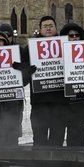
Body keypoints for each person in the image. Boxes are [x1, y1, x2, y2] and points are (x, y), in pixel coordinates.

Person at [29, 16, 68, 146]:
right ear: (40, 29)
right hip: (39, 104)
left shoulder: (66, 46)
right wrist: (26, 71)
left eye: (51, 25)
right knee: (39, 140)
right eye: (45, 26)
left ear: (56, 28)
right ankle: (39, 166)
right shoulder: (30, 48)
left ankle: (55, 166)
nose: (48, 28)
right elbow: (20, 71)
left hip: (59, 103)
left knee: (57, 140)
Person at [58, 20, 84, 146]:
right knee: (59, 135)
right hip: (63, 101)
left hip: (80, 100)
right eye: (70, 35)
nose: (74, 38)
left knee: (79, 135)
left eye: (76, 35)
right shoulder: (58, 55)